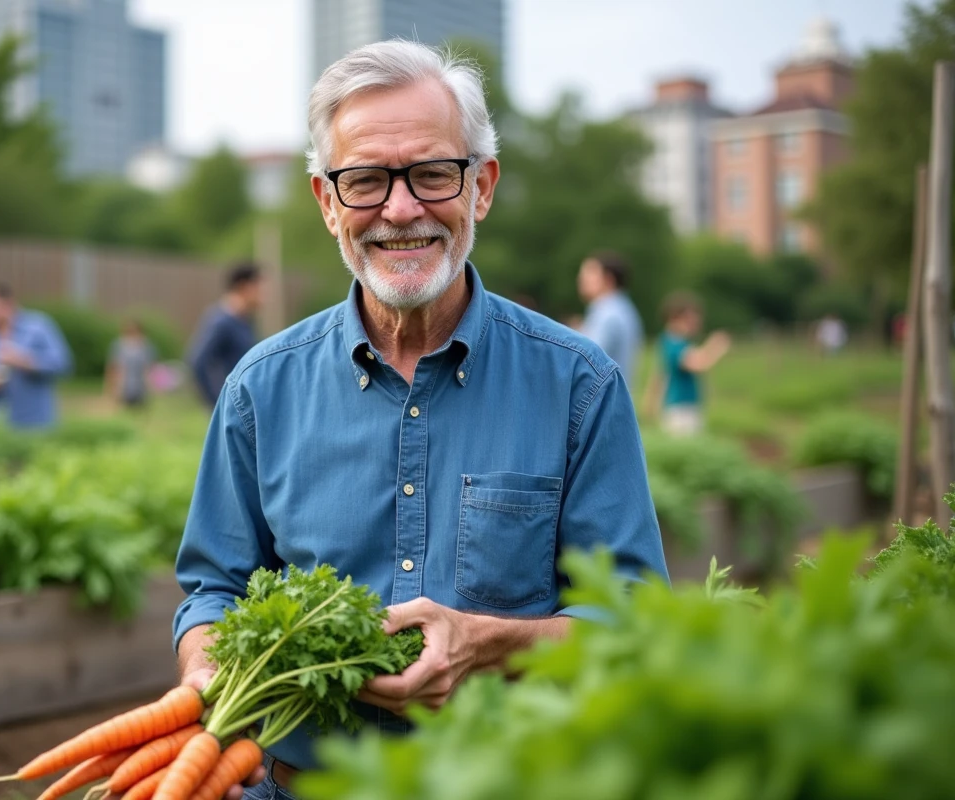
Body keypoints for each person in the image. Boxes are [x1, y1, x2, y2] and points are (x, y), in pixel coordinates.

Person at [172, 41, 668, 799]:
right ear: (327, 201)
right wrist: (207, 669)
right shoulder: (259, 389)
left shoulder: (578, 384)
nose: (400, 211)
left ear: (482, 186)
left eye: (433, 173)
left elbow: (632, 618)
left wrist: (490, 644)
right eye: (365, 180)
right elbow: (214, 588)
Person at [0, 282, 72, 429]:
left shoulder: (39, 327)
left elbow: (64, 365)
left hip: (36, 424)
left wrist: (25, 361)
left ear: (8, 305)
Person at [651, 291, 730, 437]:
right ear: (678, 317)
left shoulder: (677, 341)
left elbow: (660, 374)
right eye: (693, 317)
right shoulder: (674, 342)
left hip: (683, 406)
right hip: (680, 409)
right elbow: (698, 364)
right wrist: (716, 347)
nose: (697, 322)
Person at [187, 263, 264, 408]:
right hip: (232, 412)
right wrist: (220, 403)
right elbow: (197, 362)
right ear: (244, 286)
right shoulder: (221, 321)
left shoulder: (245, 320)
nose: (264, 294)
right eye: (259, 288)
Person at [577, 250, 644, 385]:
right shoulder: (624, 308)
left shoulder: (607, 313)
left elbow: (586, 360)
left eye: (589, 274)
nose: (580, 279)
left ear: (608, 279)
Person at [105, 320, 156, 408]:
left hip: (141, 387)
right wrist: (111, 387)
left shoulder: (146, 346)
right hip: (123, 386)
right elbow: (113, 367)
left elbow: (149, 367)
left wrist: (151, 386)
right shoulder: (118, 345)